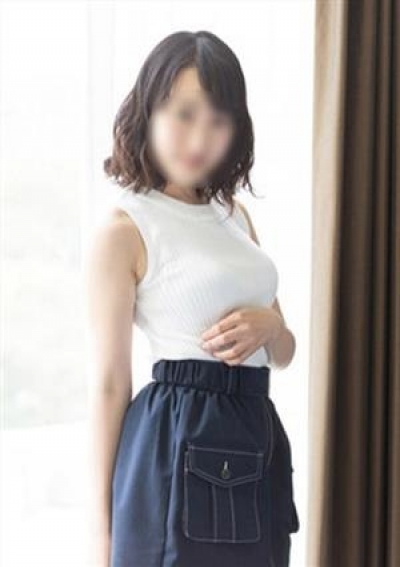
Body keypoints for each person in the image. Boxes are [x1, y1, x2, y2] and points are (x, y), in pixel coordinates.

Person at [86, 30, 300, 567]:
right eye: (184, 114)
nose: (200, 138)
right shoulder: (126, 228)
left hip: (255, 429)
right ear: (148, 112)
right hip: (177, 437)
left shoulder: (236, 217)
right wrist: (100, 532)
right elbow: (110, 384)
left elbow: (284, 351)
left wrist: (272, 328)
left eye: (218, 120)